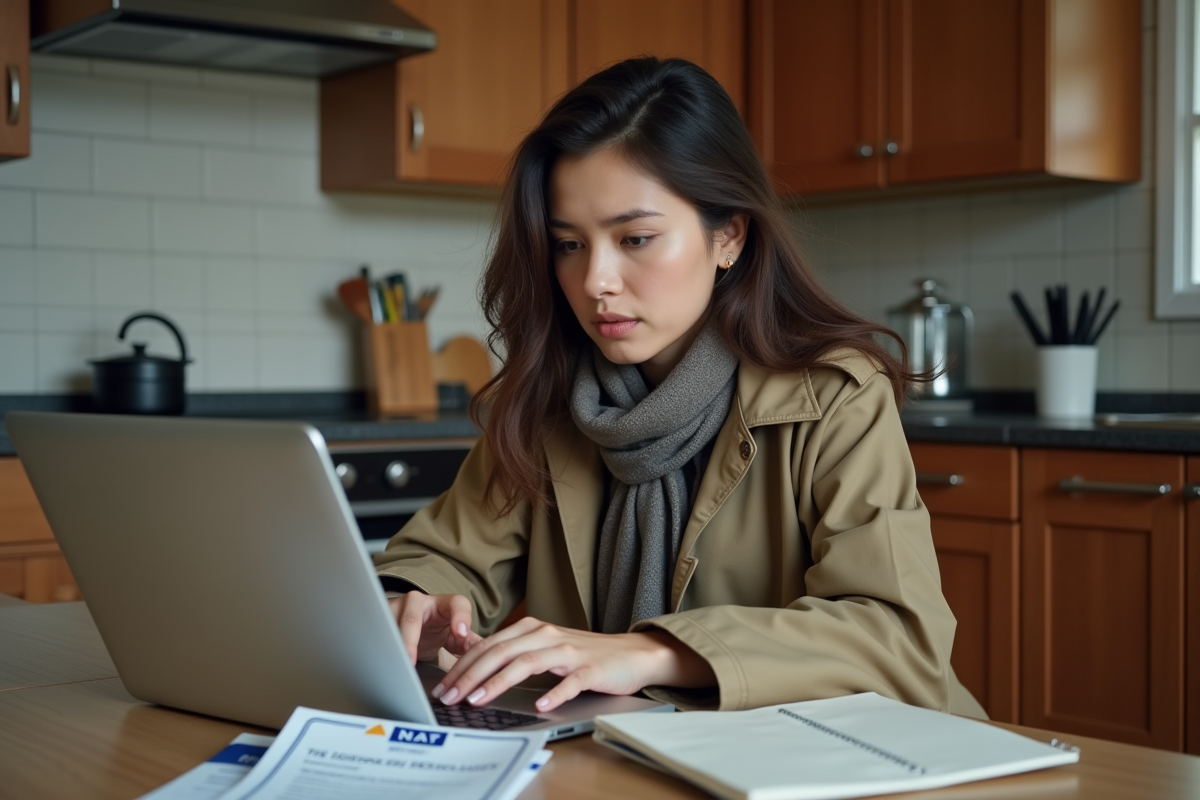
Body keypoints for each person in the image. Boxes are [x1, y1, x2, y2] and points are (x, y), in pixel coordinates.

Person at [374, 56, 986, 719]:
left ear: (729, 237)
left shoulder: (837, 394)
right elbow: (446, 557)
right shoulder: (546, 399)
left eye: (636, 238)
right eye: (569, 245)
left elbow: (897, 634)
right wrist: (411, 603)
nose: (596, 281)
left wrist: (651, 652)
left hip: (851, 757)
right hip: (633, 751)